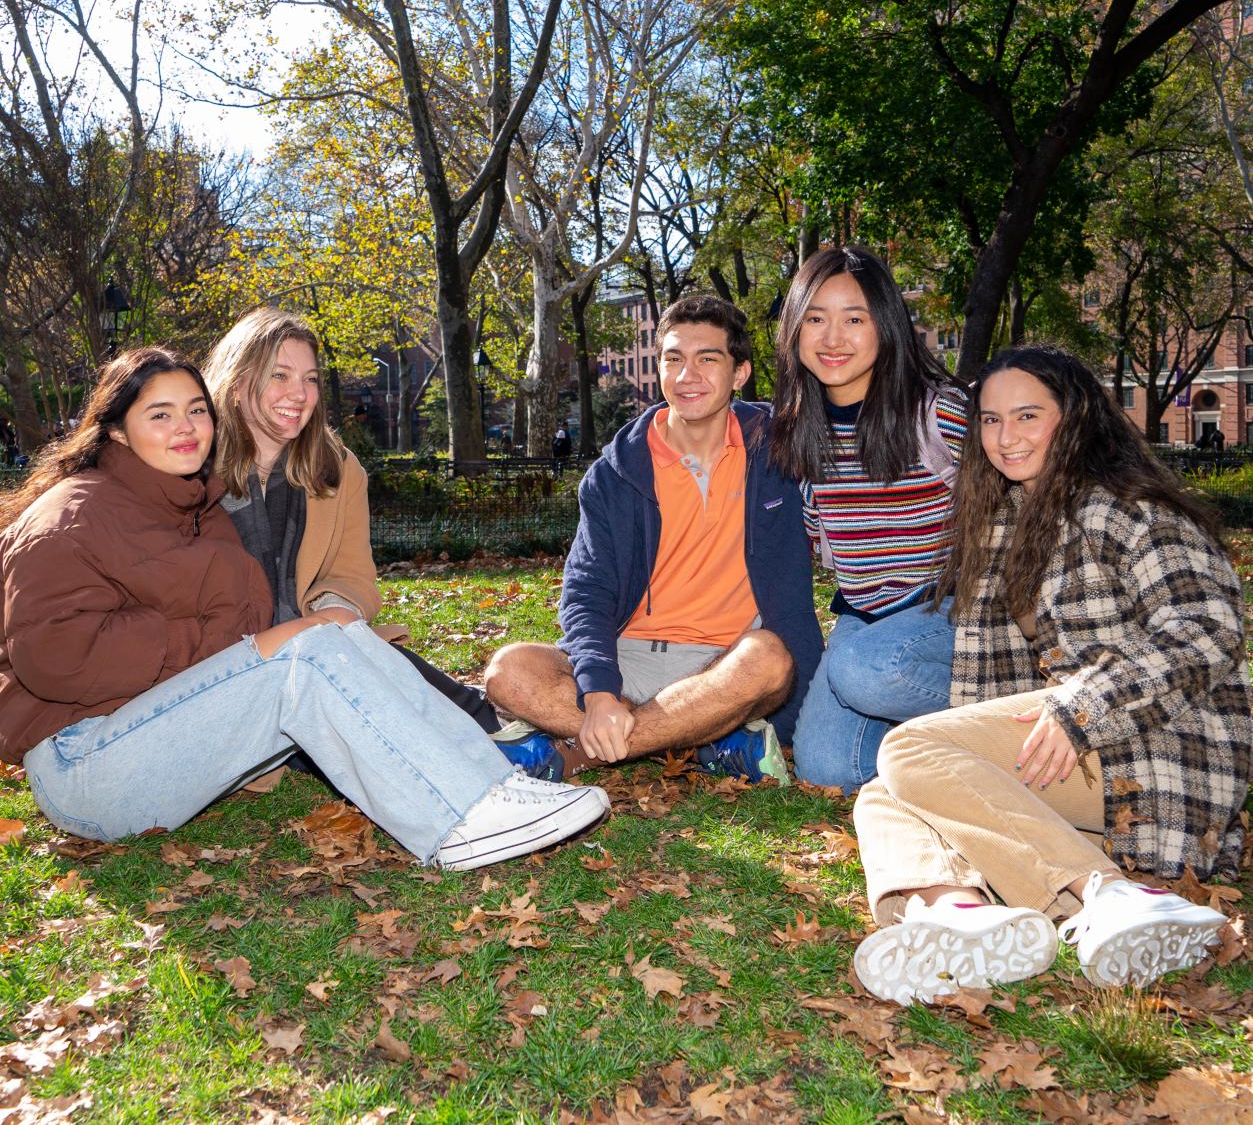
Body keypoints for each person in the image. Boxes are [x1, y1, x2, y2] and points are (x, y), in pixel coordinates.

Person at [0, 348, 609, 870]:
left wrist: (275, 637)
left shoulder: (195, 510)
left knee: (335, 637)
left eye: (195, 410)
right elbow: (53, 654)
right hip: (85, 765)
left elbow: (241, 624)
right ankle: (461, 821)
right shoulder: (73, 513)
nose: (186, 427)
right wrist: (250, 648)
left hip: (159, 742)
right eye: (159, 414)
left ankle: (498, 785)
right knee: (308, 651)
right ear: (116, 431)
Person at [850, 346, 1246, 1004]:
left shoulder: (1129, 506)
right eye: (990, 420)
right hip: (1074, 765)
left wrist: (1081, 705)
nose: (1006, 437)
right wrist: (966, 775)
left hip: (1157, 752)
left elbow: (1207, 631)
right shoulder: (1002, 524)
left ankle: (1108, 896)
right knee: (888, 788)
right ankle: (960, 917)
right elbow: (987, 687)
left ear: (1075, 418)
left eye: (1028, 415)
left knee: (909, 750)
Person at [484, 294, 824, 783]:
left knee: (769, 659)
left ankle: (573, 753)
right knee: (508, 671)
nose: (688, 375)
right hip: (630, 656)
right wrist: (600, 692)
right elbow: (587, 591)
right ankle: (707, 740)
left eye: (708, 359)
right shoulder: (616, 474)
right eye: (674, 359)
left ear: (740, 372)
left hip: (727, 662)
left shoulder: (782, 453)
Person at [203, 309, 499, 735]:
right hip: (230, 658)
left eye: (310, 379)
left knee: (405, 683)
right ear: (236, 384)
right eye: (280, 376)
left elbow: (352, 574)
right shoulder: (194, 469)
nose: (300, 395)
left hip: (319, 642)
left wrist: (330, 615)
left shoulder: (337, 468)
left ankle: (489, 728)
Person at [770, 248, 966, 791]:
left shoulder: (937, 413)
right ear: (794, 329)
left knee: (864, 669)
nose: (833, 338)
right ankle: (947, 742)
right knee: (827, 770)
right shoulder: (801, 433)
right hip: (863, 618)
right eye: (815, 318)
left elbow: (1016, 514)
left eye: (854, 318)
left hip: (948, 610)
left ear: (885, 325)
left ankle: (1003, 704)